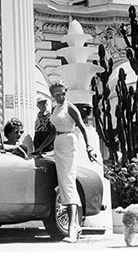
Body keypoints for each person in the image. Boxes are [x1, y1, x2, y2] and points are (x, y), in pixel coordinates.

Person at [48, 80, 96, 243]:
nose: (61, 96)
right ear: (52, 95)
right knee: (64, 183)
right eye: (57, 94)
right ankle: (76, 224)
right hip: (58, 143)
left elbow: (82, 126)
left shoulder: (70, 107)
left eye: (63, 93)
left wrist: (89, 146)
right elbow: (53, 131)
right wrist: (40, 149)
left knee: (68, 182)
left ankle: (72, 229)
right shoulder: (54, 108)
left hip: (69, 143)